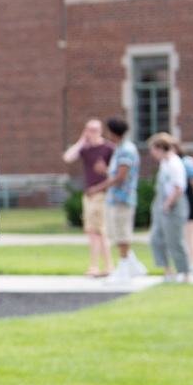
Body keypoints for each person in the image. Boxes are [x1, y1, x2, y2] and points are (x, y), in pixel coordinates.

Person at [63, 118, 115, 277]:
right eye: (88, 129)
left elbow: (117, 175)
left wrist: (104, 170)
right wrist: (81, 140)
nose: (91, 133)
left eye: (94, 130)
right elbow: (67, 158)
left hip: (102, 194)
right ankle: (95, 266)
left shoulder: (108, 148)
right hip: (89, 195)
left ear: (101, 131)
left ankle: (107, 266)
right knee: (91, 231)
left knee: (99, 231)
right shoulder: (85, 149)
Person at [101, 118, 147, 280]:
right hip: (115, 198)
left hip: (123, 198)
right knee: (115, 234)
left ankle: (124, 269)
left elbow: (121, 176)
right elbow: (117, 173)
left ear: (113, 132)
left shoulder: (126, 149)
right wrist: (105, 171)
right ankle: (134, 266)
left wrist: (98, 187)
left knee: (122, 234)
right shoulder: (120, 148)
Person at [147, 133, 193, 282]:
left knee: (175, 240)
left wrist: (168, 203)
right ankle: (167, 271)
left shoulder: (175, 163)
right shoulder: (164, 163)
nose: (151, 153)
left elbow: (178, 187)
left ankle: (185, 274)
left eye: (153, 149)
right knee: (156, 238)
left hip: (174, 205)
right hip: (163, 204)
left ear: (161, 148)